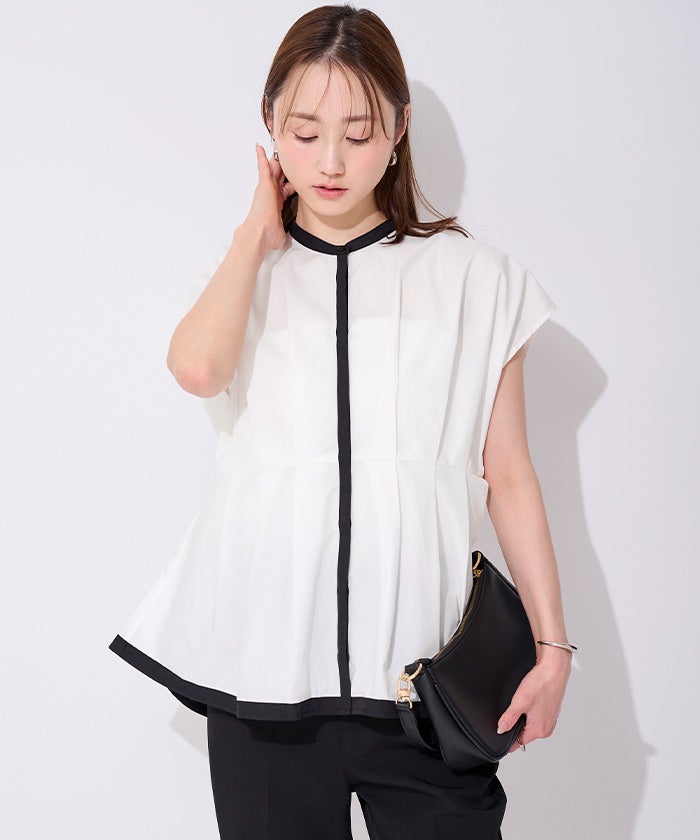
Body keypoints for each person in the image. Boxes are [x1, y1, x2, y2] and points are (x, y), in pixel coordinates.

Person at [108, 4, 574, 838]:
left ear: (399, 128)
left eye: (358, 134)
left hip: (427, 693)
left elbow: (509, 476)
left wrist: (553, 649)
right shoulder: (244, 279)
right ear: (269, 125)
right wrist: (255, 236)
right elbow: (197, 370)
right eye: (304, 131)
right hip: (266, 691)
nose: (329, 161)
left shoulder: (478, 282)